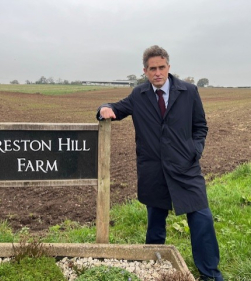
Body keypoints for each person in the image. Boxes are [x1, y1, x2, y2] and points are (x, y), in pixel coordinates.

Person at [97, 45, 223, 281]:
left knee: (202, 219)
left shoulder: (189, 91)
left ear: (169, 67)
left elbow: (200, 127)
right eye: (152, 69)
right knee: (155, 223)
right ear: (145, 71)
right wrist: (105, 108)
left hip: (185, 168)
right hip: (153, 171)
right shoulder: (139, 95)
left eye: (161, 67)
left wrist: (194, 151)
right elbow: (117, 108)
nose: (157, 72)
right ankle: (152, 267)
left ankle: (211, 274)